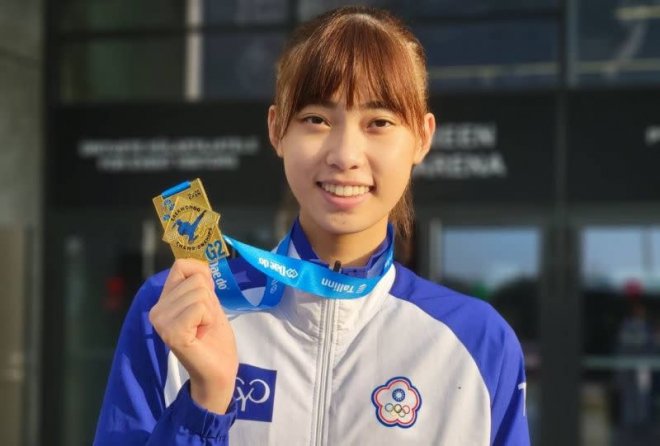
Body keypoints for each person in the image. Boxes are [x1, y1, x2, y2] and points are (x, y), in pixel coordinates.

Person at [94, 6, 529, 445]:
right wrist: (205, 404)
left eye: (379, 123)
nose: (345, 155)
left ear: (422, 137)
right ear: (277, 129)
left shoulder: (479, 343)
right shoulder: (178, 309)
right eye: (316, 119)